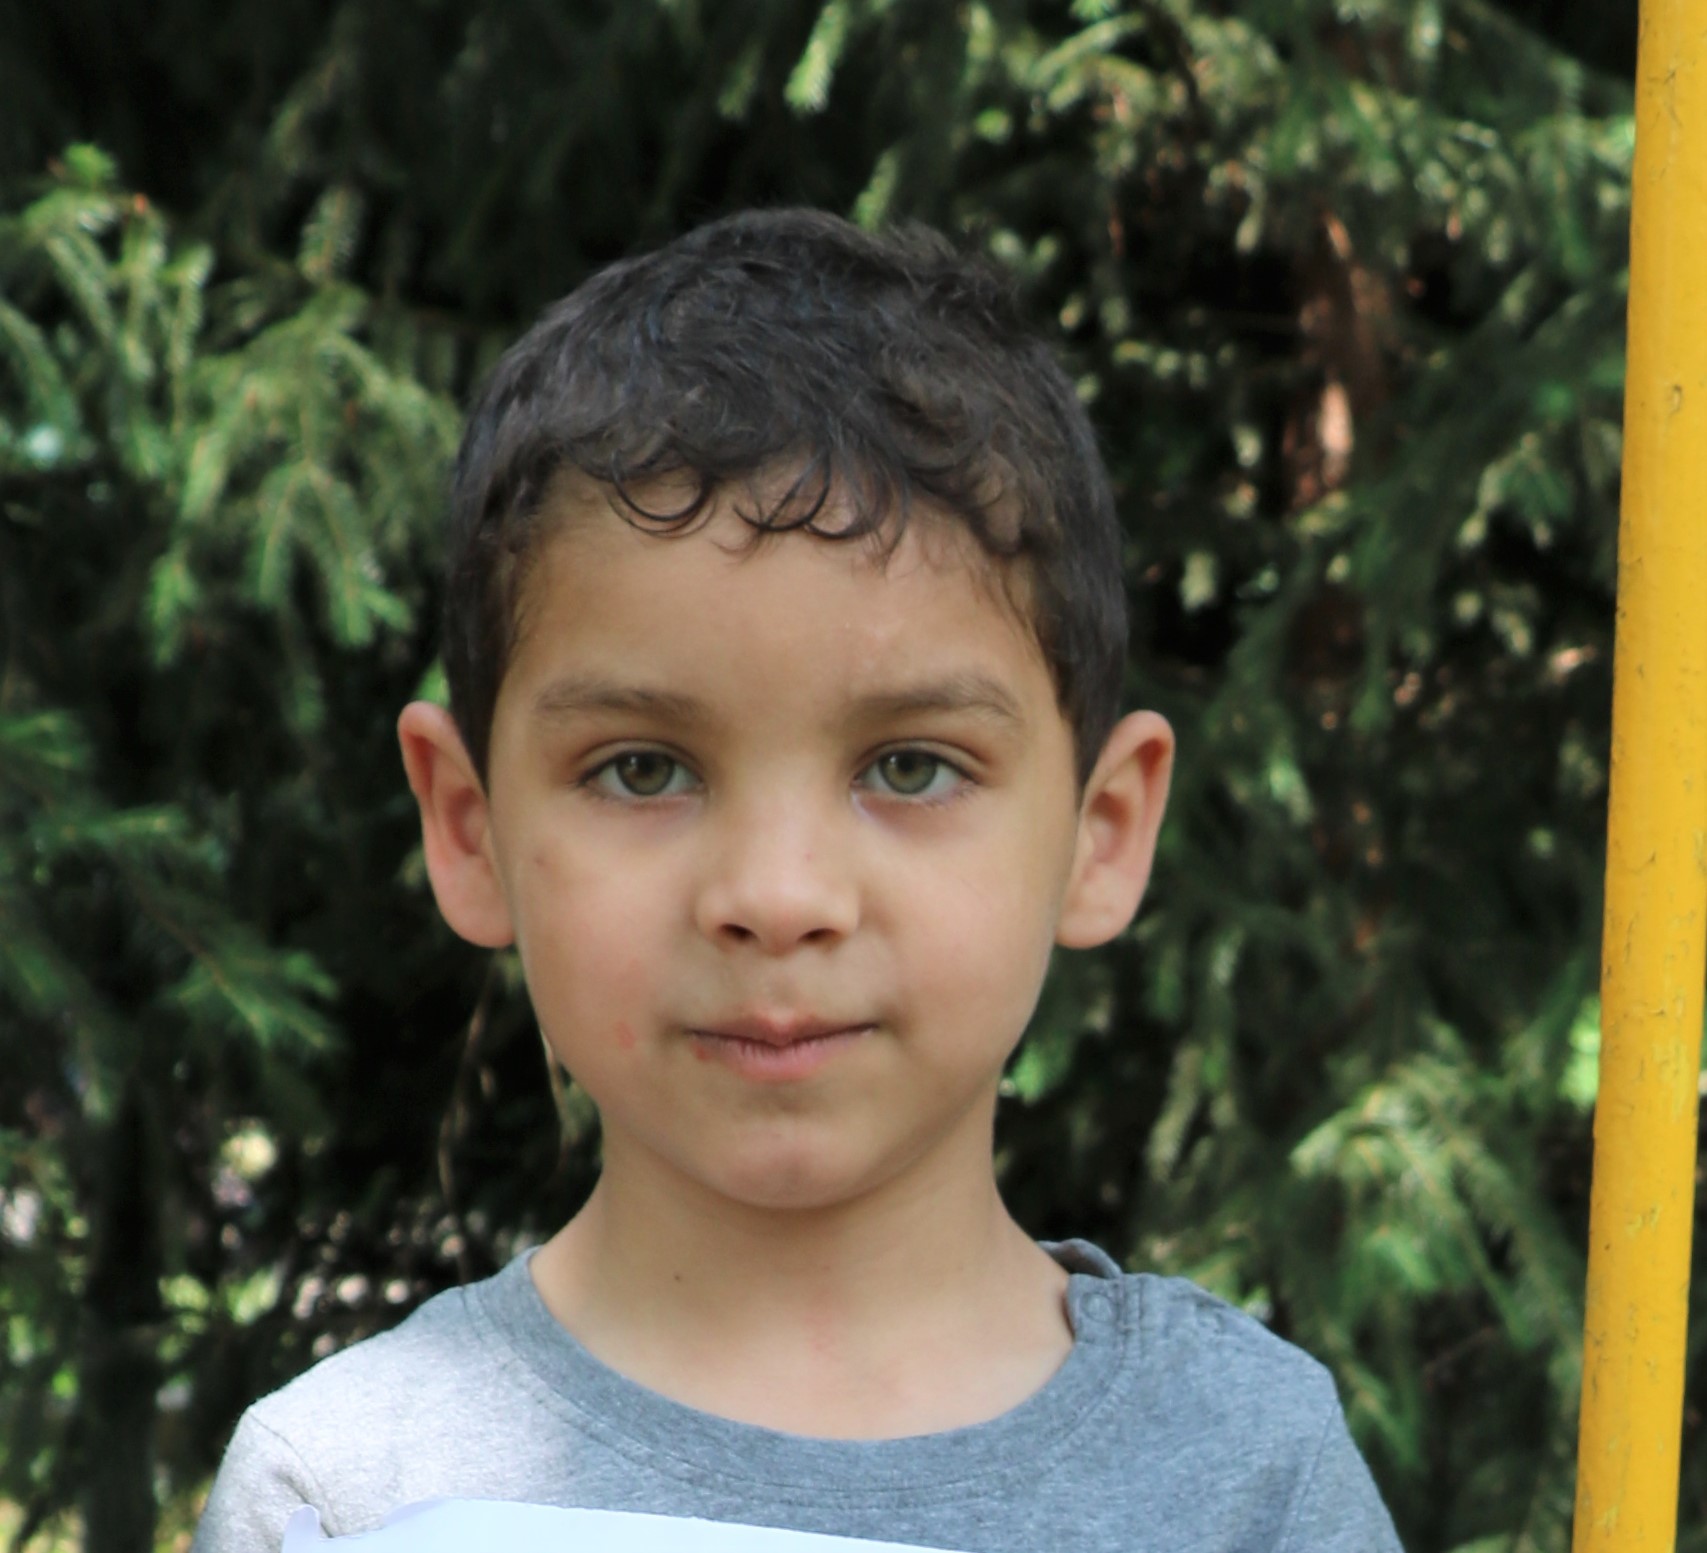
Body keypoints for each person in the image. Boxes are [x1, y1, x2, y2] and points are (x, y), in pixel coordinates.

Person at [192, 209, 1402, 1553]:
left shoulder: (1247, 1479)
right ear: (469, 828)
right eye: (643, 770)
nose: (777, 896)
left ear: (1101, 831)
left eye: (911, 768)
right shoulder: (348, 1496)